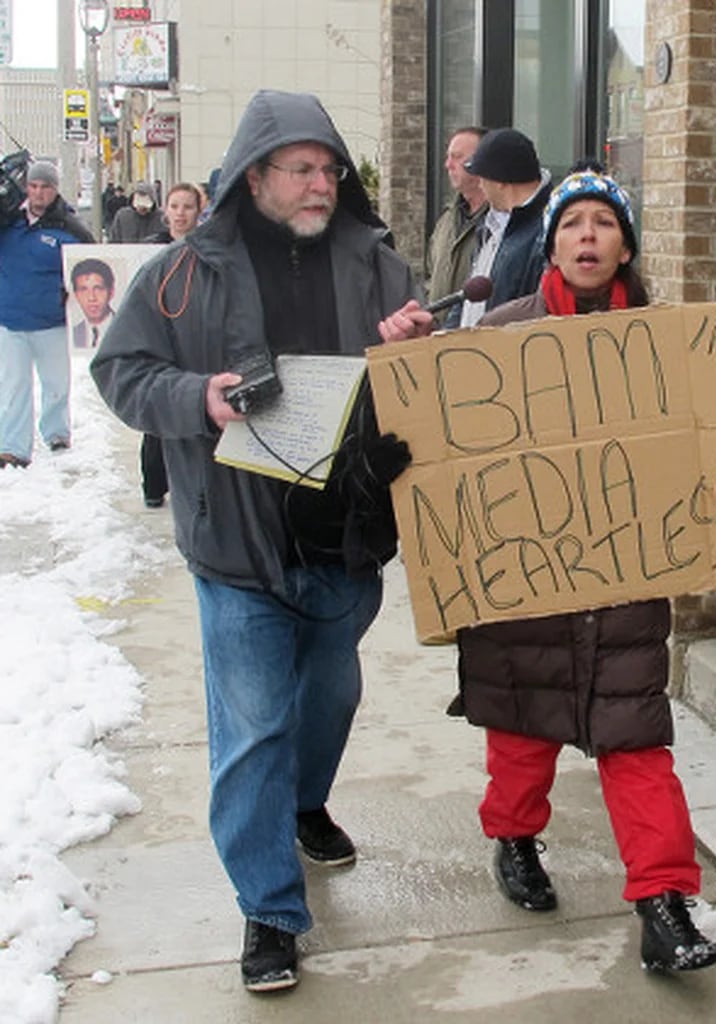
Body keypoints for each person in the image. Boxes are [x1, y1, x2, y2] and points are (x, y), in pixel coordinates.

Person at [90, 89, 420, 994]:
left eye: (330, 169)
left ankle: (305, 805)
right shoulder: (180, 272)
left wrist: (410, 352)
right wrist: (195, 400)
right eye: (302, 169)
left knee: (331, 701)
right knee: (254, 730)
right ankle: (270, 910)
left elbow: (424, 389)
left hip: (345, 543)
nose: (322, 184)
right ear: (254, 175)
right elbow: (119, 373)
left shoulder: (381, 267)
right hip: (236, 547)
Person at [377, 164, 716, 975]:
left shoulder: (669, 343)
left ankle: (663, 904)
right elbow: (444, 444)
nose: (588, 237)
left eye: (604, 224)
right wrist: (404, 411)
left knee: (638, 747)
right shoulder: (498, 335)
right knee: (521, 741)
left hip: (627, 588)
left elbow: (706, 448)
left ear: (626, 245)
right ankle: (514, 839)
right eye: (573, 224)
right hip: (523, 591)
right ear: (552, 243)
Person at [0, 160, 94, 468]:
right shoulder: (7, 221)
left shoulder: (70, 228)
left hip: (52, 322)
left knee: (56, 384)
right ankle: (13, 447)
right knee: (14, 386)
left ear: (56, 190)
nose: (39, 192)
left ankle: (56, 434)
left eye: (46, 187)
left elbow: (93, 265)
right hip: (10, 319)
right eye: (34, 186)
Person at [140, 182, 206, 508]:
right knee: (157, 418)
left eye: (187, 207)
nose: (180, 213)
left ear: (199, 211)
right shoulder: (150, 249)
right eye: (175, 206)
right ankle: (153, 486)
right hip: (158, 340)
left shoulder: (208, 249)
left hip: (192, 342)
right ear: (165, 210)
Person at [445, 127, 551, 328]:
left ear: (500, 181)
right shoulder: (489, 226)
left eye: (482, 177)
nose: (481, 185)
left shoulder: (547, 232)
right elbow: (467, 301)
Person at [425, 127, 487, 320]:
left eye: (457, 157)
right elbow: (429, 276)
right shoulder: (446, 221)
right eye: (448, 157)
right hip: (437, 339)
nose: (447, 165)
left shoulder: (501, 223)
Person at [70, 257, 116, 349]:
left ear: (111, 292)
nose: (91, 298)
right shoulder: (73, 333)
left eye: (98, 289)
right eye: (83, 290)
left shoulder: (127, 330)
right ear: (76, 295)